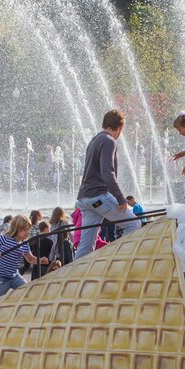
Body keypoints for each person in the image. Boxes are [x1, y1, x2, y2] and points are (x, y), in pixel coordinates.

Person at [75, 109, 141, 259]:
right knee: (133, 224)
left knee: (85, 248)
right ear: (119, 128)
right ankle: (118, 260)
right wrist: (120, 198)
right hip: (98, 196)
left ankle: (74, 272)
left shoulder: (94, 140)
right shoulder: (109, 141)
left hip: (85, 199)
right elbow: (107, 172)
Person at [0, 215, 47, 300]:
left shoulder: (24, 243)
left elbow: (30, 259)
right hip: (0, 278)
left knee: (28, 292)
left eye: (28, 229)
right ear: (17, 229)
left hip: (14, 276)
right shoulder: (5, 238)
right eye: (25, 230)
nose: (27, 232)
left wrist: (40, 260)